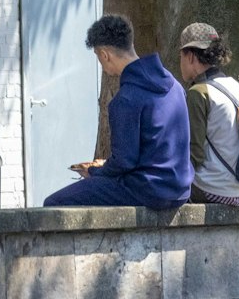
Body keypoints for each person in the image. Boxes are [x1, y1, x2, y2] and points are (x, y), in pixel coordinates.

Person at [44, 14, 191, 209]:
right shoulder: (175, 86)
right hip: (180, 189)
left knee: (54, 203)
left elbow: (124, 162)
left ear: (104, 54)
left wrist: (94, 172)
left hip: (148, 189)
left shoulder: (126, 99)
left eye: (98, 56)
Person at [176, 22, 239, 206]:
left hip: (213, 190)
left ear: (190, 56)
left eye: (181, 56)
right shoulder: (235, 85)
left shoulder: (198, 92)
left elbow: (194, 155)